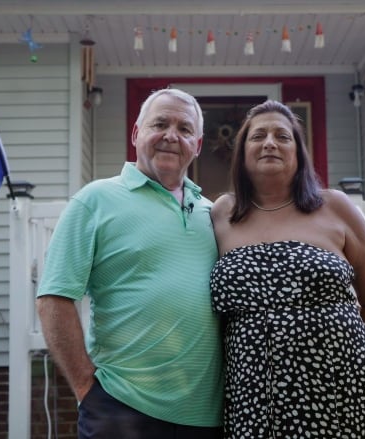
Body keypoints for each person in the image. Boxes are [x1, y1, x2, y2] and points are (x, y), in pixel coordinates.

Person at [36, 88, 223, 439]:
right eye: (160, 124)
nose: (171, 135)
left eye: (184, 129)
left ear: (196, 146)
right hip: (122, 410)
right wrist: (85, 389)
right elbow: (53, 298)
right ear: (137, 134)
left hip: (206, 417)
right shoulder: (95, 200)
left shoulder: (212, 214)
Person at [209, 100, 365, 438]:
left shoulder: (335, 206)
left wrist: (340, 354)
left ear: (298, 152)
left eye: (283, 136)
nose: (270, 142)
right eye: (258, 136)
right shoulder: (222, 212)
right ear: (242, 151)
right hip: (253, 392)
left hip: (338, 389)